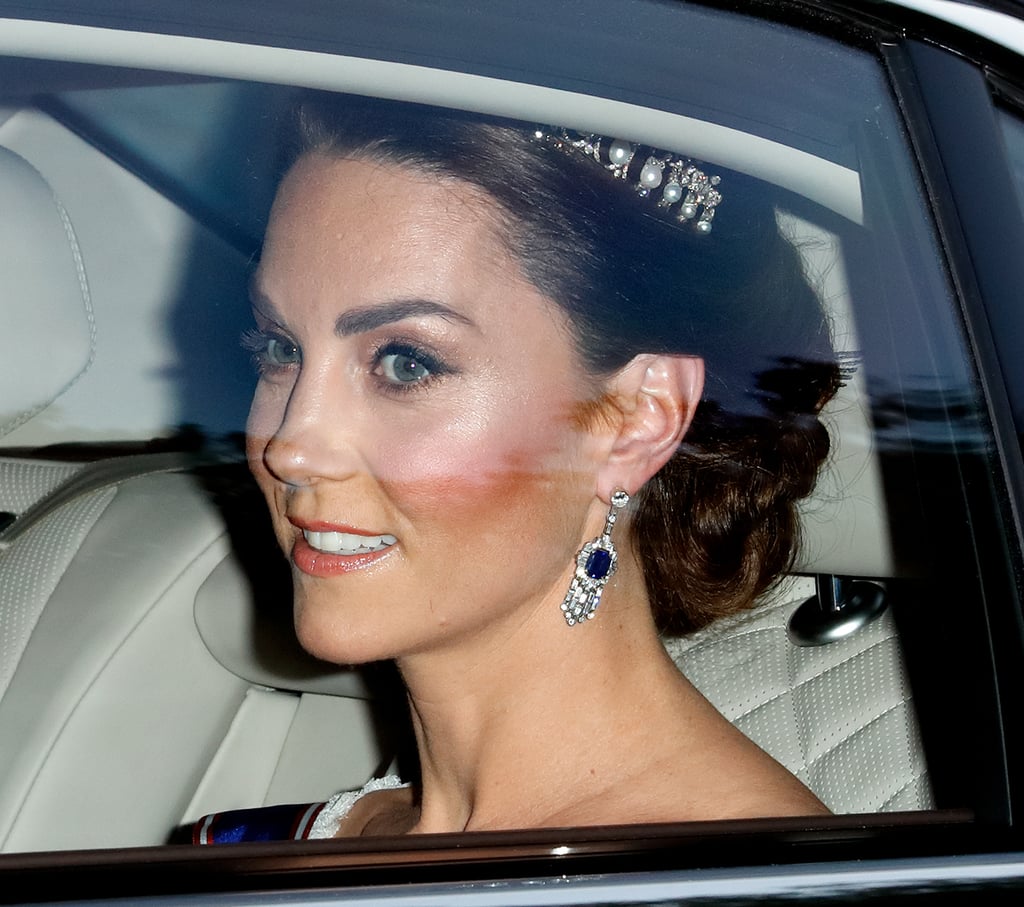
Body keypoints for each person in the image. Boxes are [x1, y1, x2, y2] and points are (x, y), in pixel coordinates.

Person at [196, 94, 838, 843]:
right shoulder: (280, 842)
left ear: (637, 418)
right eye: (280, 349)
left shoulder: (747, 882)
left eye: (406, 362)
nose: (290, 447)